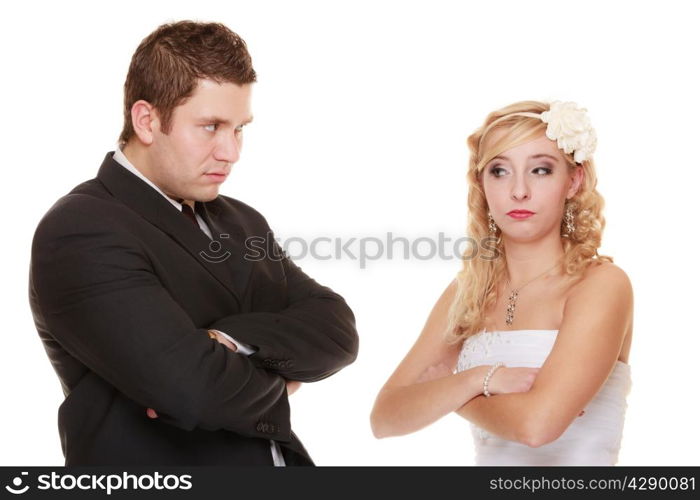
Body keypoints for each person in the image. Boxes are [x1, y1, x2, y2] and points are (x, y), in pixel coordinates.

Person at [28, 20, 358, 466]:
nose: (231, 152)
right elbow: (194, 390)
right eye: (210, 126)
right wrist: (281, 381)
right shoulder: (80, 229)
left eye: (240, 128)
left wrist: (229, 340)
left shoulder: (242, 220)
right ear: (146, 120)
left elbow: (336, 330)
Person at [370, 100, 633, 465]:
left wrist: (449, 395)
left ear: (574, 181)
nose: (519, 191)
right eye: (499, 171)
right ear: (481, 183)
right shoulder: (467, 292)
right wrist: (476, 379)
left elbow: (537, 427)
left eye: (540, 170)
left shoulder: (600, 285)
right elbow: (385, 417)